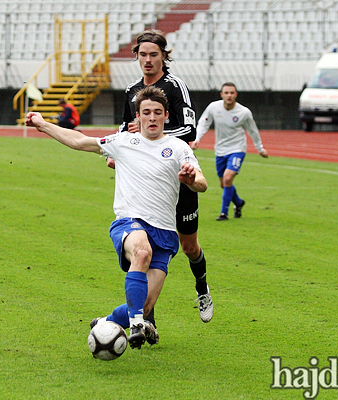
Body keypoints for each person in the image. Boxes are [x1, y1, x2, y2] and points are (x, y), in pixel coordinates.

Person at [25, 86, 208, 349]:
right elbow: (79, 141)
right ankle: (136, 324)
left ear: (167, 116)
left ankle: (106, 322)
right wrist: (43, 125)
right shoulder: (123, 142)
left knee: (144, 303)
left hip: (166, 234)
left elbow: (201, 183)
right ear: (138, 117)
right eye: (146, 112)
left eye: (158, 112)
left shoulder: (178, 147)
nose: (153, 117)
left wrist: (192, 180)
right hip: (130, 221)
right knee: (141, 253)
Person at [111, 29, 214, 326]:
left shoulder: (175, 86)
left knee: (189, 247)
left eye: (153, 55)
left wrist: (154, 136)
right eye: (142, 54)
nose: (148, 60)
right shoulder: (131, 91)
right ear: (136, 56)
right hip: (146, 183)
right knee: (142, 250)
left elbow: (190, 131)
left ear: (164, 57)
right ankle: (144, 317)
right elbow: (123, 130)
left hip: (178, 176)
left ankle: (202, 287)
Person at [191, 82, 268, 220]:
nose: (229, 95)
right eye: (226, 93)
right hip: (220, 150)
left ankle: (223, 213)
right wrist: (197, 139)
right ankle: (238, 203)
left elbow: (253, 130)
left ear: (236, 95)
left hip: (237, 149)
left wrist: (260, 148)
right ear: (222, 95)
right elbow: (204, 122)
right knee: (224, 183)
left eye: (232, 93)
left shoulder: (243, 112)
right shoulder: (214, 107)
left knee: (227, 178)